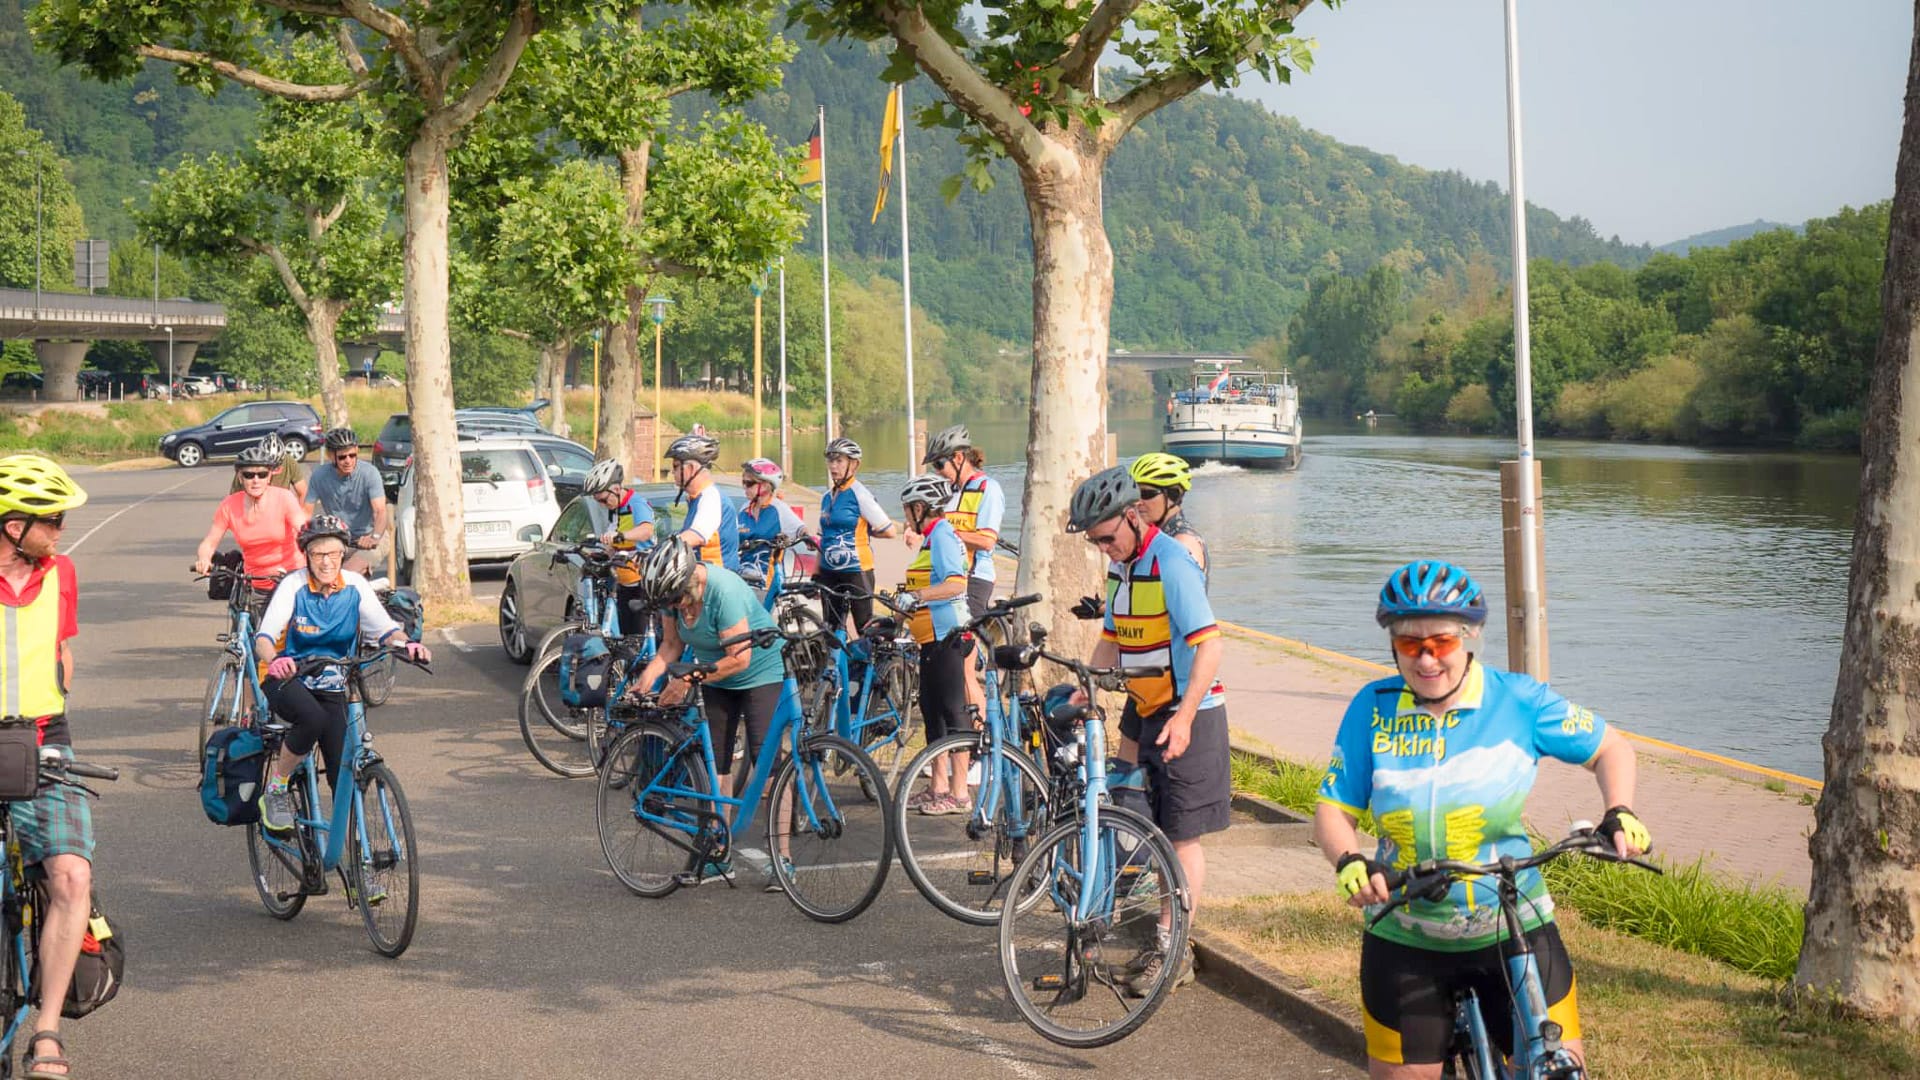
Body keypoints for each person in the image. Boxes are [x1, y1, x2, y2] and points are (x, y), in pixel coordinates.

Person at [1313, 560, 1651, 1080]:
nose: (1427, 660)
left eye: (1441, 643)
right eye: (1410, 645)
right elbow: (1333, 809)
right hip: (1406, 936)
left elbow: (1611, 748)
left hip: (1515, 928)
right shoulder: (1371, 708)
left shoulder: (1518, 700)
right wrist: (1349, 859)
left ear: (1470, 639)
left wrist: (1619, 810)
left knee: (1559, 1070)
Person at [1067, 465, 1227, 994]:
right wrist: (1083, 685)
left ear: (1133, 516)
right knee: (1146, 823)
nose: (1103, 549)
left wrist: (1184, 717)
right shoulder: (1122, 568)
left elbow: (1210, 644)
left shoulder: (1173, 561)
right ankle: (1157, 928)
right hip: (1144, 705)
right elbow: (1113, 637)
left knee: (1181, 836)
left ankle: (1172, 947)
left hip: (1188, 712)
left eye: (1107, 538)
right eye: (1096, 542)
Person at [0, 456, 94, 1080]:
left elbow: (62, 655)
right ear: (12, 524)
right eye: (50, 519)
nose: (59, 529)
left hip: (41, 737)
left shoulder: (61, 573)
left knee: (69, 878)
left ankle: (47, 1030)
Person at [253, 515, 430, 835]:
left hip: (333, 681)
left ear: (343, 555)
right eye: (319, 554)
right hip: (287, 677)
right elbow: (264, 637)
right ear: (306, 555)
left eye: (334, 553)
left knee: (341, 772)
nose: (326, 561)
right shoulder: (293, 586)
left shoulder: (355, 586)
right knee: (312, 719)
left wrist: (409, 645)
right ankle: (276, 789)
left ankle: (354, 864)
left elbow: (386, 629)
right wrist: (275, 659)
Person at [630, 538, 786, 886]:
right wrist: (647, 680)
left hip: (758, 672)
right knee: (716, 761)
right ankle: (720, 853)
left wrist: (688, 681)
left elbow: (740, 658)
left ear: (691, 581)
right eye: (669, 604)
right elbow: (671, 645)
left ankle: (782, 857)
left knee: (767, 763)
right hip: (714, 674)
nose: (678, 610)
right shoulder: (671, 594)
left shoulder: (723, 590)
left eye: (678, 600)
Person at [896, 475, 975, 815]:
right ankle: (937, 785)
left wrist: (917, 596)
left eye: (906, 510)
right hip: (930, 639)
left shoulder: (942, 535)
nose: (904, 516)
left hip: (949, 635)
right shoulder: (930, 539)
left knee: (953, 712)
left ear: (919, 508)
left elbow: (956, 584)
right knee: (932, 713)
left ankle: (959, 793)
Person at [194, 440, 309, 608]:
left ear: (270, 476)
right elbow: (210, 542)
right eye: (249, 475)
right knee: (244, 622)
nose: (256, 480)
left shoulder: (284, 498)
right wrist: (204, 559)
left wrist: (315, 548)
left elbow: (303, 529)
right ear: (240, 477)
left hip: (289, 577)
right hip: (254, 581)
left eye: (262, 474)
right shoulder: (229, 505)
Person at [815, 437, 898, 635]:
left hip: (856, 570)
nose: (833, 466)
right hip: (829, 570)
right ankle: (838, 665)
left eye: (839, 461)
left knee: (864, 627)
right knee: (831, 628)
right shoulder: (827, 497)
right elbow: (822, 538)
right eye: (830, 461)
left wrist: (865, 532)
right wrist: (817, 573)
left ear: (854, 464)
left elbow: (889, 530)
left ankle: (871, 665)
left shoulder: (860, 494)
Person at [921, 425, 1004, 618]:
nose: (937, 471)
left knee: (963, 640)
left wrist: (945, 533)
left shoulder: (988, 488)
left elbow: (986, 541)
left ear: (958, 458)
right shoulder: (948, 492)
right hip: (946, 574)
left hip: (973, 577)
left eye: (940, 464)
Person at [305, 427, 389, 577]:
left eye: (353, 455)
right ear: (331, 456)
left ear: (357, 450)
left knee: (346, 574)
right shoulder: (319, 476)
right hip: (339, 538)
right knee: (315, 572)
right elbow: (306, 512)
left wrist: (374, 537)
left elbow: (380, 511)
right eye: (343, 457)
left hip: (370, 537)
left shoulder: (369, 473)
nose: (348, 461)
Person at [584, 459, 653, 637]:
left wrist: (622, 536)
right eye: (598, 501)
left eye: (604, 500)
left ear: (615, 489)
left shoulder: (636, 504)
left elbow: (646, 530)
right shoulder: (615, 509)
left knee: (637, 634)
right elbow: (616, 540)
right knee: (625, 635)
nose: (603, 504)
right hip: (623, 579)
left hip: (640, 580)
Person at [663, 434, 740, 573]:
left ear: (691, 468)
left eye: (675, 466)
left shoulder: (710, 497)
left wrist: (661, 550)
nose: (672, 472)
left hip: (718, 582)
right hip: (706, 578)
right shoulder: (696, 498)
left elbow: (695, 536)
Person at [1128, 452, 1207, 581]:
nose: (1138, 502)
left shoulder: (1183, 543)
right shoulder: (1158, 536)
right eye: (1134, 494)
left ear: (1173, 496)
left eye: (1147, 494)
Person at [736, 458, 811, 591]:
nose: (744, 487)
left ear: (764, 486)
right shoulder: (744, 509)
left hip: (767, 581)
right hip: (744, 579)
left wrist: (809, 538)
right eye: (743, 482)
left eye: (749, 483)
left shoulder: (778, 509)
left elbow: (800, 529)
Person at [226, 433, 308, 503]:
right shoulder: (248, 467)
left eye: (276, 467)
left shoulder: (289, 462)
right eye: (267, 467)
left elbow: (303, 492)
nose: (272, 471)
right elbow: (233, 499)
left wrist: (302, 516)